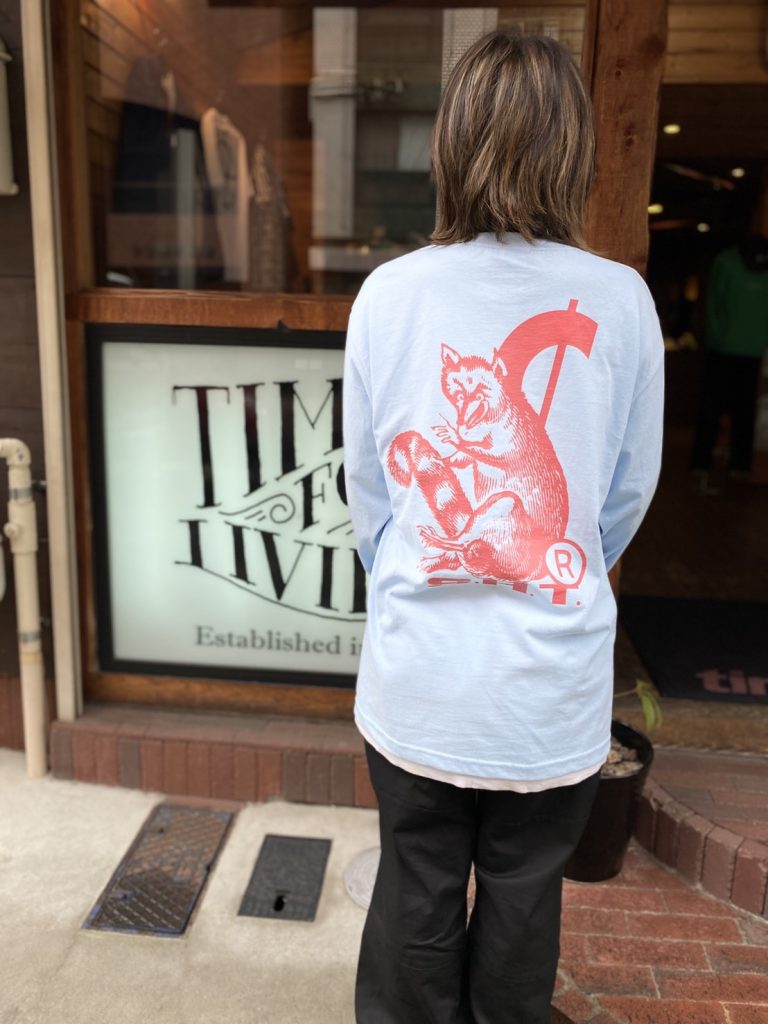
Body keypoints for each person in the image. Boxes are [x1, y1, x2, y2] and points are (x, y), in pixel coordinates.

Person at [342, 29, 664, 1024]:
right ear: (572, 150)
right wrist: (540, 570)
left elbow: (370, 496)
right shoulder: (624, 302)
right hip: (547, 690)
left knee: (415, 894)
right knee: (524, 906)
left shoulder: (389, 296)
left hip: (421, 676)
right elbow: (621, 500)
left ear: (450, 142)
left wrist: (427, 572)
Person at [690, 231, 768, 484]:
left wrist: (716, 336)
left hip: (723, 347)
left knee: (711, 409)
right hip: (753, 349)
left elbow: (712, 303)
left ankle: (701, 463)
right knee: (745, 410)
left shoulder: (725, 261)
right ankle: (739, 465)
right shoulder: (729, 262)